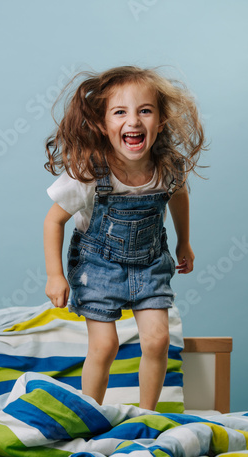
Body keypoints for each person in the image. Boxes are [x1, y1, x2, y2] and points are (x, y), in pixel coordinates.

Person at [43, 65, 206, 409]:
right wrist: (55, 275)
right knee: (104, 347)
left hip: (149, 265)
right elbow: (53, 222)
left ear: (160, 121)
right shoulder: (90, 172)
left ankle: (146, 414)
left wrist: (183, 241)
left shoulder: (166, 168)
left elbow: (179, 196)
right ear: (103, 124)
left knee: (158, 341)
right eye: (120, 112)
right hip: (98, 266)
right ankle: (90, 413)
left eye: (144, 111)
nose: (133, 121)